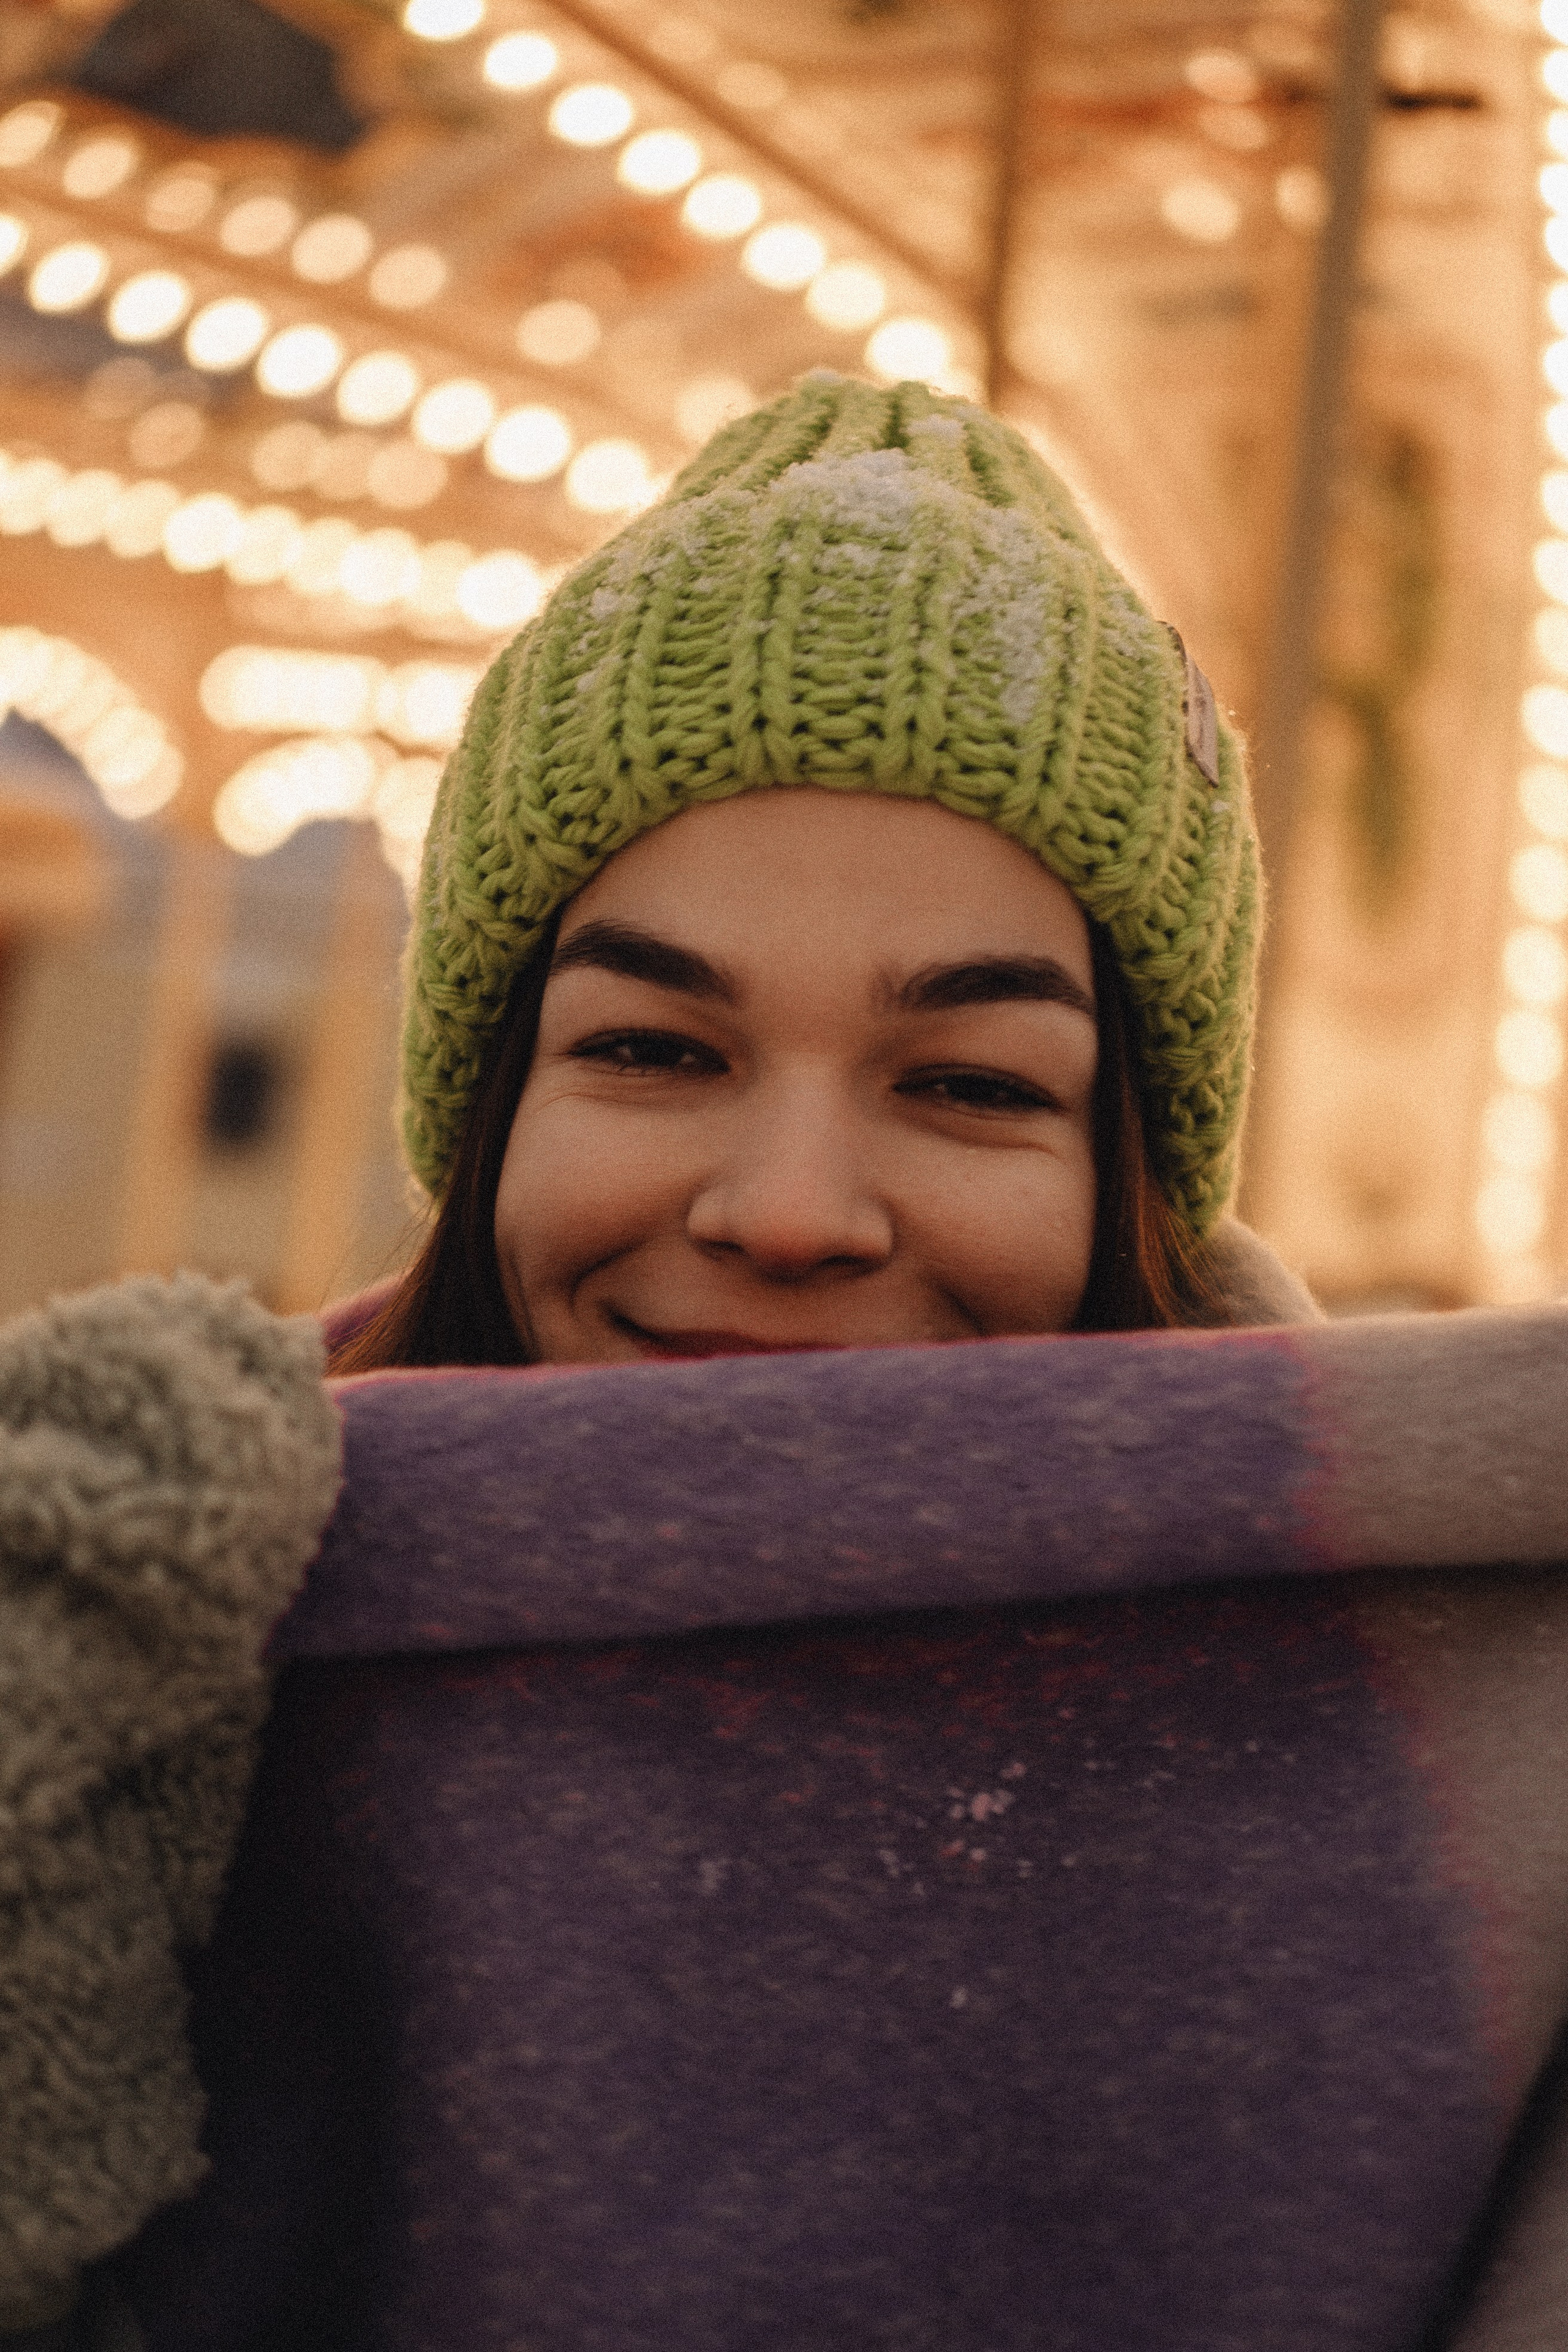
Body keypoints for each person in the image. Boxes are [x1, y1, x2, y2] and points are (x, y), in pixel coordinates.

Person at [6, 376, 1568, 2351]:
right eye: (655, 1049)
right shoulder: (123, 1660)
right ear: (491, 1116)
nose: (790, 1210)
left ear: (1126, 1178)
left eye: (970, 1083)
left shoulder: (1479, 1764)